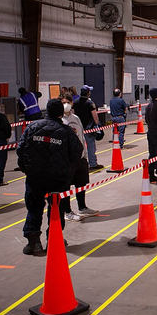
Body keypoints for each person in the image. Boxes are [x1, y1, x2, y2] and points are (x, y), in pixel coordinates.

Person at [18, 99, 83, 255]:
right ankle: (54, 239)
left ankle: (33, 242)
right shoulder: (66, 131)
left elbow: (20, 149)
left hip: (35, 176)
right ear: (61, 113)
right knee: (56, 210)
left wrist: (26, 167)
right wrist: (66, 168)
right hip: (58, 178)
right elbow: (77, 152)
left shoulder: (32, 127)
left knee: (34, 207)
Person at [60, 93, 99, 221]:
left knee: (81, 184)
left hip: (80, 158)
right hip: (67, 159)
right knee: (66, 187)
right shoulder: (59, 120)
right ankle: (67, 211)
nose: (66, 104)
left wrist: (85, 155)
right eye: (63, 102)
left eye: (68, 102)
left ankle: (82, 207)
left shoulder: (76, 118)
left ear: (72, 103)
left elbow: (82, 137)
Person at [73, 85, 103, 170]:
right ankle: (93, 163)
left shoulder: (75, 102)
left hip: (79, 127)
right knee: (91, 146)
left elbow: (73, 114)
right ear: (88, 93)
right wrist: (98, 125)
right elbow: (95, 116)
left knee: (79, 147)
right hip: (89, 128)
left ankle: (79, 165)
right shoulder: (90, 103)